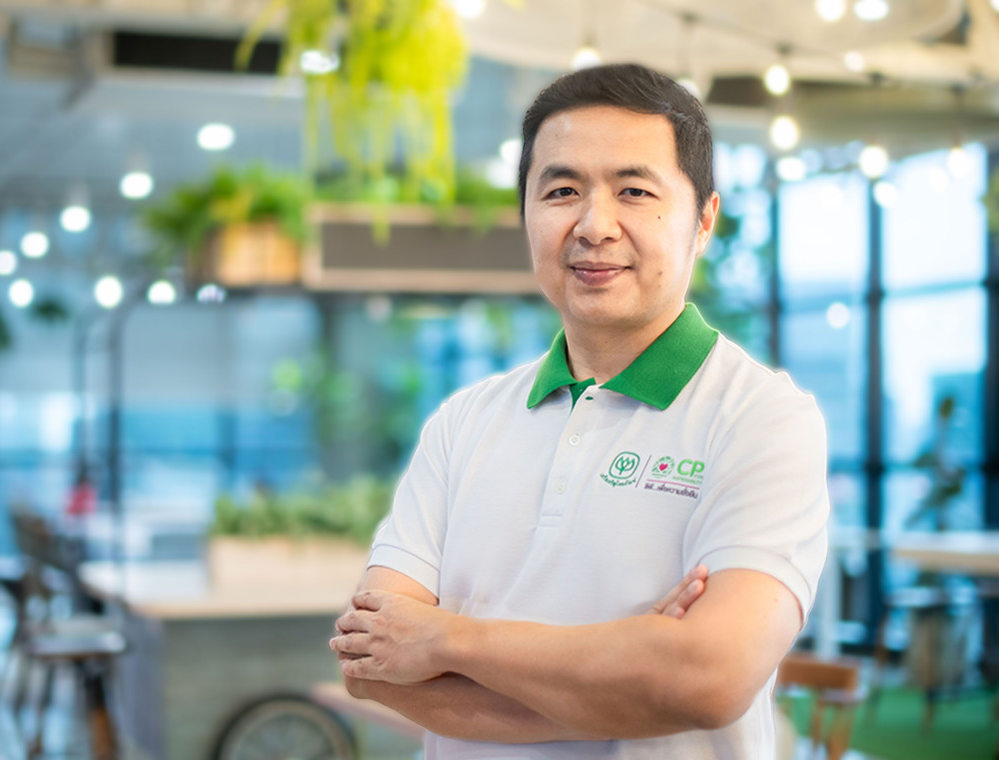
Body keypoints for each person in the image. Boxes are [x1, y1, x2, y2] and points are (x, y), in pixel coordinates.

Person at [330, 62, 829, 759]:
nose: (594, 226)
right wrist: (635, 673)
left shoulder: (761, 418)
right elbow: (368, 665)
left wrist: (447, 640)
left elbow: (710, 679)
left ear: (704, 220)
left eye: (634, 191)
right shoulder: (463, 422)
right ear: (526, 215)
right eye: (562, 191)